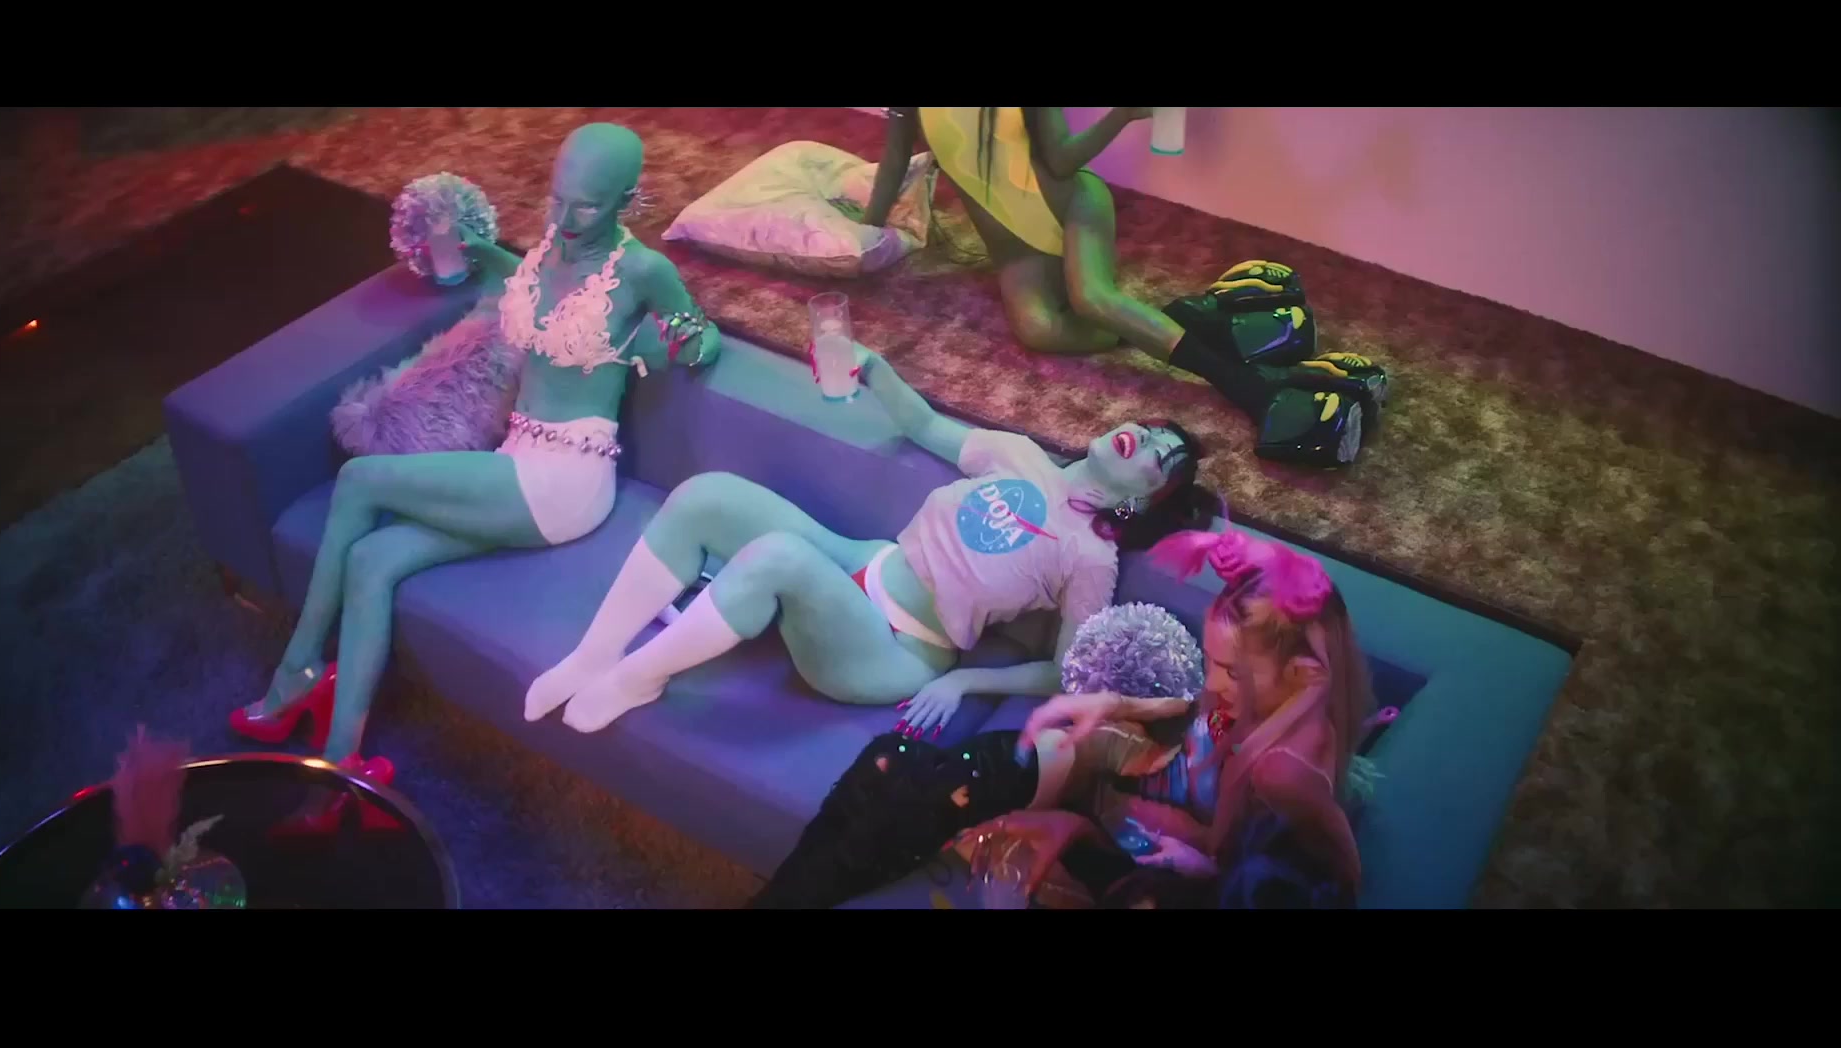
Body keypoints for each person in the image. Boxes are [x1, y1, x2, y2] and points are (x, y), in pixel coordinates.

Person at [227, 123, 721, 828]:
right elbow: (526, 289)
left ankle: (297, 669)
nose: (564, 216)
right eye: (557, 197)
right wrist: (468, 245)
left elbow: (699, 341)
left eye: (585, 204)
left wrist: (691, 341)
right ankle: (342, 769)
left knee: (362, 481)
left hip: (569, 480)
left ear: (627, 200)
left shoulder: (644, 270)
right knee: (372, 559)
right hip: (516, 460)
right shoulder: (552, 244)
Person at [525, 341, 1221, 734]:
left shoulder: (1091, 555)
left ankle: (637, 679)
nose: (1143, 439)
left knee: (779, 558)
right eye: (1150, 429)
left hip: (896, 650)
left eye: (1157, 458)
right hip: (863, 567)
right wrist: (873, 367)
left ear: (1142, 498)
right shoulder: (1020, 456)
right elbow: (924, 426)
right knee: (707, 495)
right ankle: (594, 655)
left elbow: (1064, 670)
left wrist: (966, 681)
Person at [747, 527, 1374, 909]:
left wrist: (1107, 830)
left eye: (1232, 672)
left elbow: (1325, 873)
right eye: (1212, 663)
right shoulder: (1270, 701)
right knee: (893, 763)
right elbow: (1200, 710)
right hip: (1136, 764)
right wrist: (1115, 704)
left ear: (1305, 675)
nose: (1214, 683)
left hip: (1135, 817)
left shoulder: (1283, 772)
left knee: (904, 784)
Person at [857, 108, 1389, 466]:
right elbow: (896, 159)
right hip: (1017, 245)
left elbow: (1062, 160)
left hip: (1072, 208)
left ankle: (1251, 387)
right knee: (1040, 330)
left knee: (1092, 299)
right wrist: (865, 231)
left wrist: (1121, 114)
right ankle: (1199, 317)